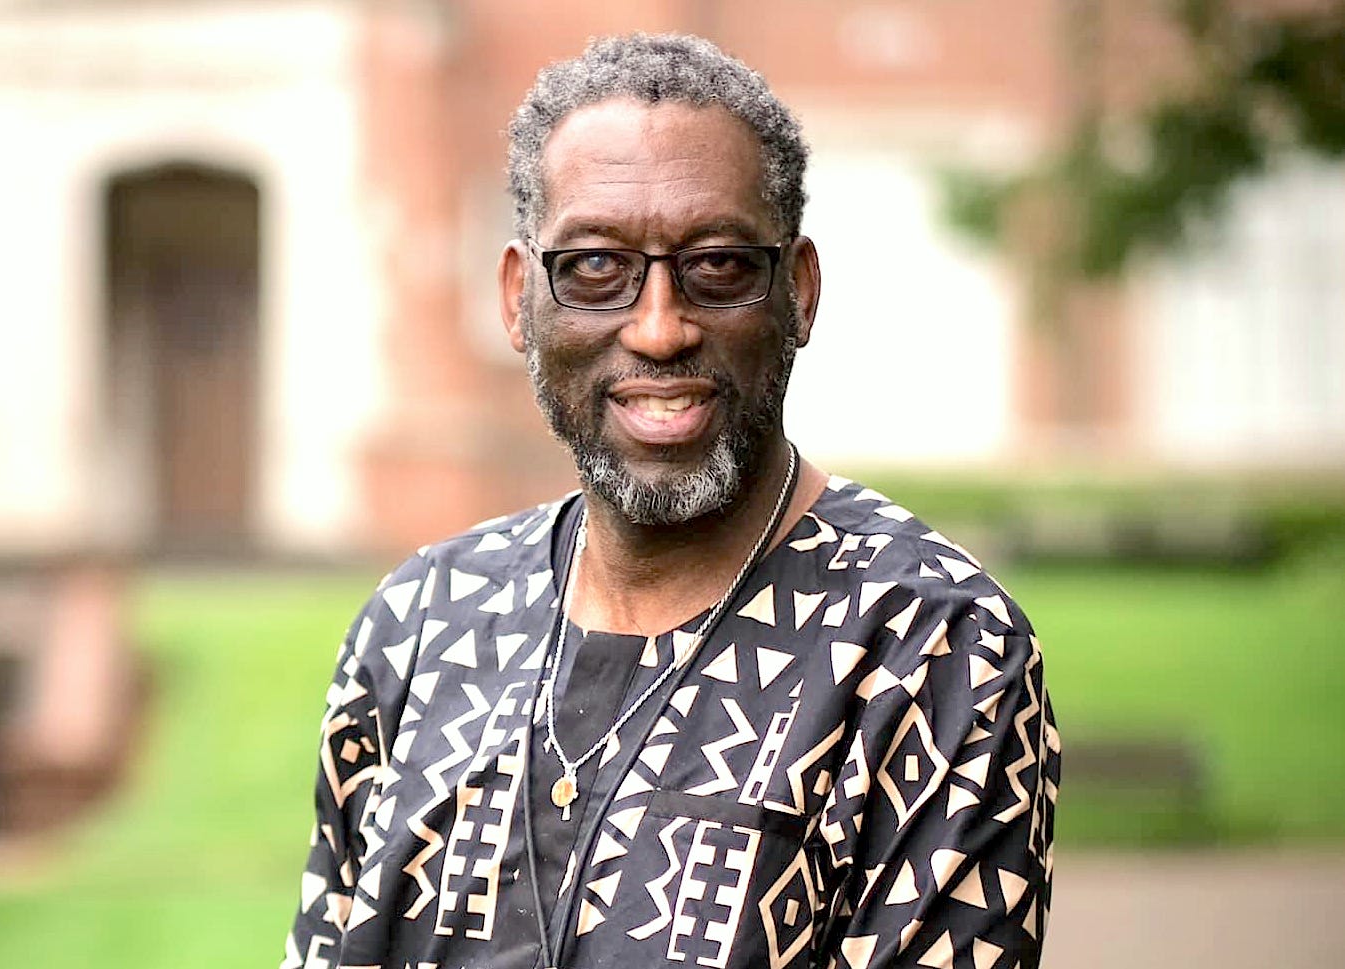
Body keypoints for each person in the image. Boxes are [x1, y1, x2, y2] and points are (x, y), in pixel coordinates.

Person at [283, 33, 1058, 969]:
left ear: (799, 293)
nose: (659, 329)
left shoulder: (930, 651)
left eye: (719, 264)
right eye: (595, 266)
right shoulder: (421, 622)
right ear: (519, 297)